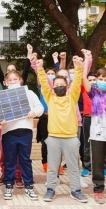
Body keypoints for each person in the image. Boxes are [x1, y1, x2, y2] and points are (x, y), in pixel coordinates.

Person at [37, 56, 88, 203]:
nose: (59, 85)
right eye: (56, 84)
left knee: (73, 167)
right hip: (53, 138)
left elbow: (77, 82)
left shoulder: (72, 97)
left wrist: (79, 67)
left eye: (62, 83)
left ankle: (76, 190)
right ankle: (51, 189)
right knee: (53, 167)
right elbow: (45, 85)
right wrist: (40, 69)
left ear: (67, 86)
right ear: (53, 87)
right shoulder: (50, 98)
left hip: (71, 138)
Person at [0, 44, 32, 187]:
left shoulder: (22, 89)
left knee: (20, 154)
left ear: (19, 77)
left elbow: (27, 69)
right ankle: (5, 174)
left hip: (21, 127)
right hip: (5, 126)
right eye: (8, 72)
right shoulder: (4, 89)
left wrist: (29, 53)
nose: (11, 73)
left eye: (13, 71)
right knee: (5, 152)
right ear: (5, 79)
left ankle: (19, 176)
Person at [1, 70, 43, 201]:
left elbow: (40, 107)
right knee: (9, 160)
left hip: (25, 132)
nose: (13, 82)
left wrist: (34, 112)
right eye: (10, 80)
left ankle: (29, 186)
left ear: (21, 80)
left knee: (25, 160)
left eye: (15, 79)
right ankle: (9, 186)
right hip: (8, 133)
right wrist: (0, 120)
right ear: (5, 83)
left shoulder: (29, 94)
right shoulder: (2, 96)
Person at [82, 61, 106, 204]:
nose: (102, 81)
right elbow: (84, 78)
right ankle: (98, 189)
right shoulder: (94, 93)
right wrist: (86, 62)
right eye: (100, 79)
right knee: (97, 163)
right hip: (97, 134)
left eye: (105, 79)